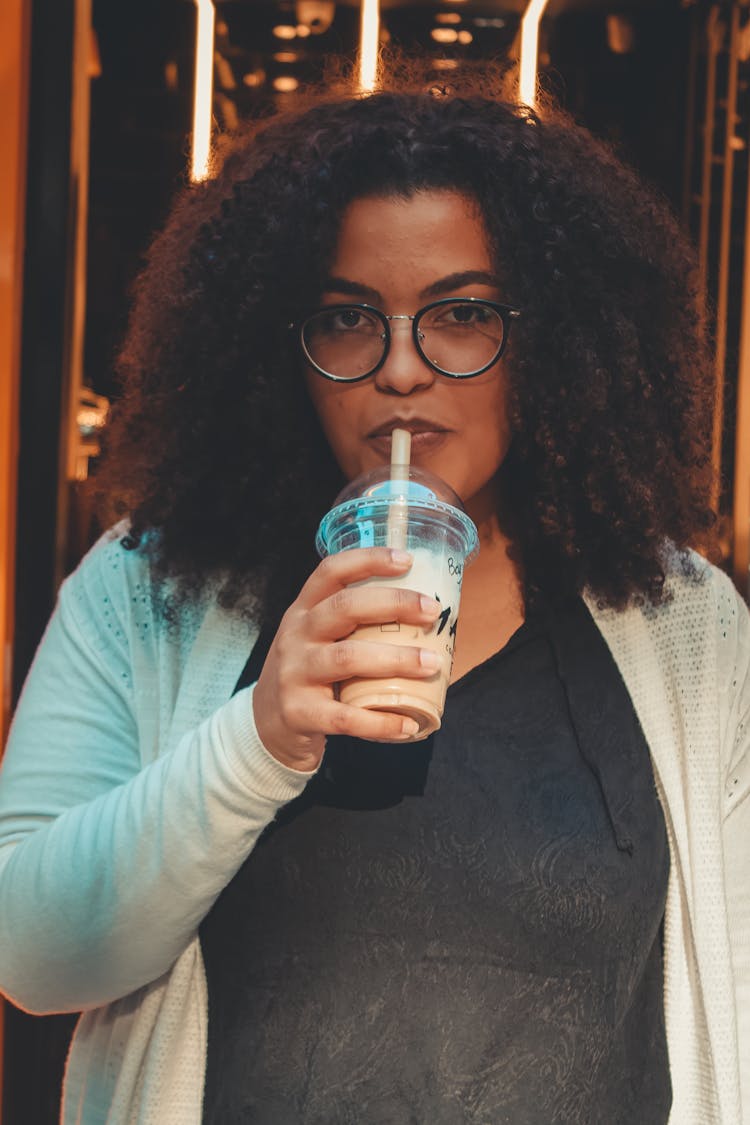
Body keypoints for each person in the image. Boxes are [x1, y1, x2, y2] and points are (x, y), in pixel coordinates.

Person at [0, 60, 747, 1125]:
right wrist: (255, 741)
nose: (401, 369)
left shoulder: (689, 629)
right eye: (349, 320)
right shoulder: (151, 589)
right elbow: (31, 955)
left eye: (463, 314)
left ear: (552, 344)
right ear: (279, 351)